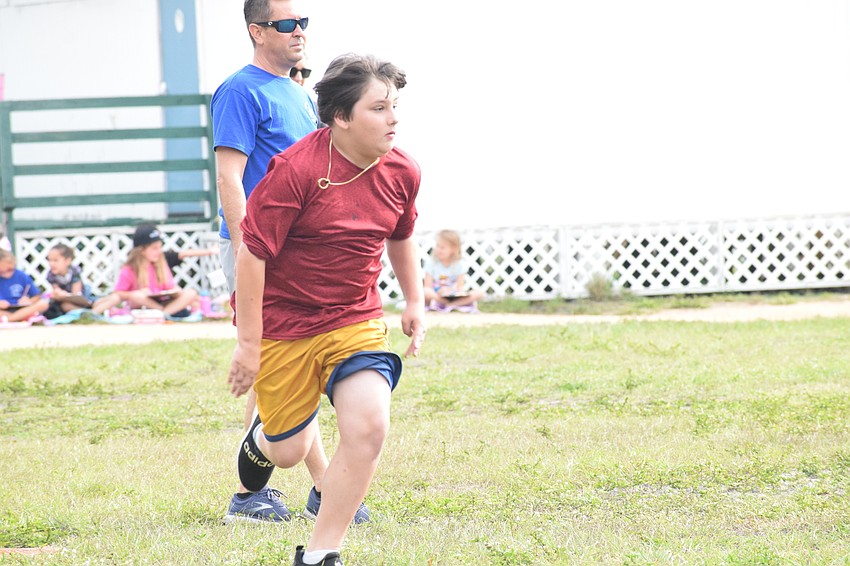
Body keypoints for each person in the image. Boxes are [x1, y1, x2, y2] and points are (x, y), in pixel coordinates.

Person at [228, 52, 425, 566]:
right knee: (289, 452)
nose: (394, 118)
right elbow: (253, 253)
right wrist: (249, 345)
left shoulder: (403, 170)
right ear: (341, 116)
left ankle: (320, 554)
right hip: (284, 325)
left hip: (353, 320)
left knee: (368, 426)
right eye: (379, 108)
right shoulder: (296, 170)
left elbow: (401, 236)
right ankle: (262, 438)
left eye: (394, 106)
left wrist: (415, 301)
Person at [211, 0, 347, 526]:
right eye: (287, 24)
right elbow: (230, 176)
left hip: (298, 248)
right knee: (279, 360)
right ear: (256, 30)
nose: (299, 32)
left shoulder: (294, 90)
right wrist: (249, 248)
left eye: (303, 23)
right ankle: (277, 493)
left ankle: (306, 489)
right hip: (258, 247)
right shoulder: (240, 91)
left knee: (289, 363)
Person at [93, 224, 199, 317]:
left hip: (163, 301)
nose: (159, 252)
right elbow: (118, 293)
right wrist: (135, 293)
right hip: (143, 304)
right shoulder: (130, 269)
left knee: (191, 293)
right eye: (154, 248)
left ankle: (164, 313)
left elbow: (170, 287)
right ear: (141, 250)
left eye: (160, 248)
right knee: (137, 296)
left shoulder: (161, 265)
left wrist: (176, 292)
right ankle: (163, 313)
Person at [423, 229, 484, 312]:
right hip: (437, 296)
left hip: (454, 295)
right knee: (425, 291)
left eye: (442, 247)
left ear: (454, 248)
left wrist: (452, 291)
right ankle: (447, 303)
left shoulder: (459, 264)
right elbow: (427, 286)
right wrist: (439, 292)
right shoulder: (431, 263)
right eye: (437, 246)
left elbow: (460, 287)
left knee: (480, 293)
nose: (438, 249)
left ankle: (451, 304)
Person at [44, 243, 96, 316]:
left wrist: (65, 295)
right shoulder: (51, 275)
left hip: (79, 299)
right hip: (64, 301)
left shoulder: (74, 272)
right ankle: (84, 314)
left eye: (55, 260)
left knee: (95, 301)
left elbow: (77, 294)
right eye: (49, 260)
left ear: (67, 261)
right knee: (64, 306)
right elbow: (56, 290)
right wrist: (58, 293)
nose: (51, 264)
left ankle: (90, 312)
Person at [0, 249, 50, 322]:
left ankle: (10, 319)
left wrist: (28, 300)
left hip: (21, 308)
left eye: (10, 269)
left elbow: (37, 296)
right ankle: (18, 318)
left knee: (43, 304)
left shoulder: (21, 276)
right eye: (3, 271)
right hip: (3, 309)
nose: (8, 272)